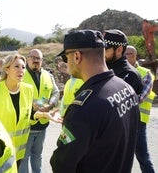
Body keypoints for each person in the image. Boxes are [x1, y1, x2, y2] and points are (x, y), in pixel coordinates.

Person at [50, 29, 140, 172]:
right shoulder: (126, 87)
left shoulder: (84, 108)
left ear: (77, 56)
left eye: (66, 58)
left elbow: (62, 164)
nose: (66, 64)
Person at [19, 49, 60, 173]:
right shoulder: (20, 74)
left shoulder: (48, 76)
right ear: (28, 59)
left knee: (37, 155)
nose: (36, 60)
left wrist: (51, 104)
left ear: (42, 61)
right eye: (33, 57)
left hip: (42, 124)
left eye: (38, 58)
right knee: (24, 157)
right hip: (26, 124)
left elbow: (56, 92)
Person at [0, 54, 34, 167]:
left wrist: (43, 114)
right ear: (6, 69)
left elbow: (29, 113)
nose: (21, 70)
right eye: (16, 66)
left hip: (18, 152)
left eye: (23, 67)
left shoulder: (28, 90)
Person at [125, 45, 156, 173]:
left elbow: (141, 97)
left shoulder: (145, 73)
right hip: (122, 119)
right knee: (121, 157)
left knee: (143, 157)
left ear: (134, 55)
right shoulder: (120, 71)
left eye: (127, 54)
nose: (125, 57)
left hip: (138, 121)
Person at [103, 29, 143, 96]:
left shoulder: (130, 75)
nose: (102, 53)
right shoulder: (104, 68)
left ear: (119, 50)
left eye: (105, 50)